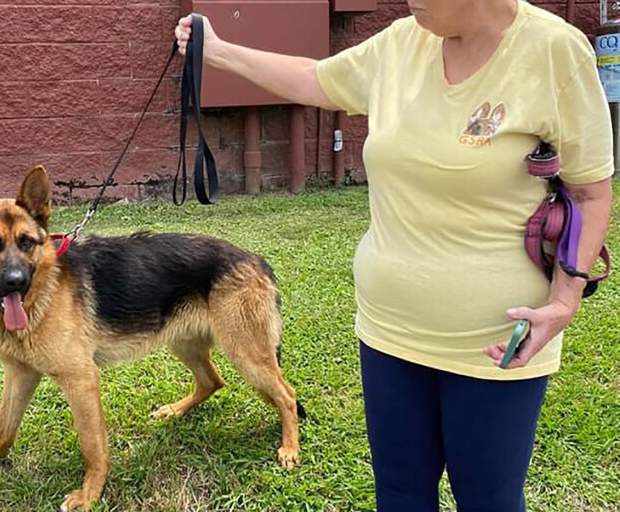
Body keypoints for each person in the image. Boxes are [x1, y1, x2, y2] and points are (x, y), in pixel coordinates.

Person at [175, 1, 614, 510]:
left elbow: (589, 192)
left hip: (497, 339)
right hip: (389, 331)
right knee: (401, 494)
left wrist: (566, 299)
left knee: (488, 499)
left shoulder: (554, 50)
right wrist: (219, 49)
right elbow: (315, 79)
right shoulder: (400, 43)